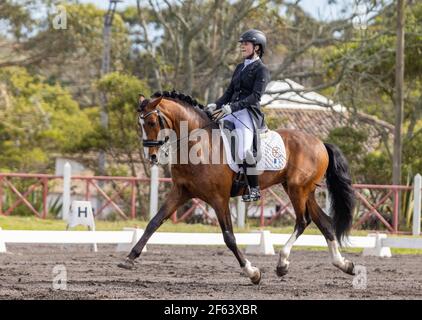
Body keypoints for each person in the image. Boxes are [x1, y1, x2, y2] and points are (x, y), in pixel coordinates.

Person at [206, 29, 271, 202]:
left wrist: (232, 107)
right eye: (242, 43)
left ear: (256, 47)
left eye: (246, 43)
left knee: (244, 150)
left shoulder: (262, 70)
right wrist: (216, 104)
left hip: (247, 115)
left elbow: (255, 97)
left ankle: (254, 189)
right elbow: (229, 92)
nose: (242, 46)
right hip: (230, 111)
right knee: (208, 131)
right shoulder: (240, 67)